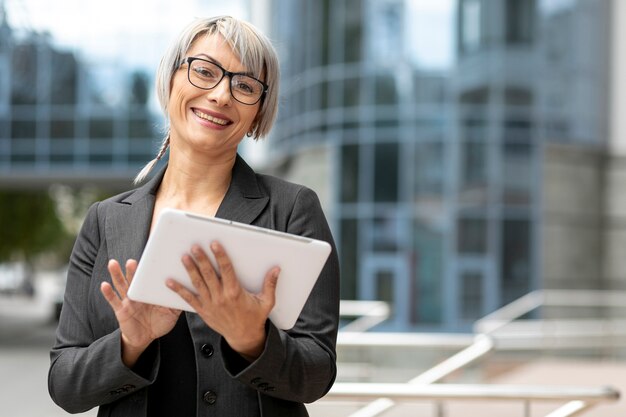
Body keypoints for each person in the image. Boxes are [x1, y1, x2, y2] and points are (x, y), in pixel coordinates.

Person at [48, 16, 340, 417]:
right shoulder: (105, 220)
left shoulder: (291, 209)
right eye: (204, 71)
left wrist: (251, 338)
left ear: (257, 113)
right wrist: (131, 342)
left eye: (245, 86)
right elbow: (65, 385)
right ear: (170, 81)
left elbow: (317, 374)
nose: (221, 95)